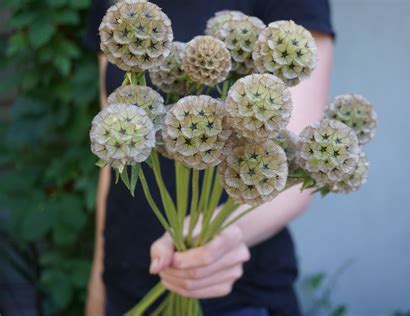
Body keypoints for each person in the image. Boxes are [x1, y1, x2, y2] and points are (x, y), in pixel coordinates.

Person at [84, 1, 335, 315]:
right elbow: (114, 157)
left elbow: (295, 159)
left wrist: (215, 237)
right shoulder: (120, 12)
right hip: (125, 285)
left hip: (234, 293)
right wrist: (97, 284)